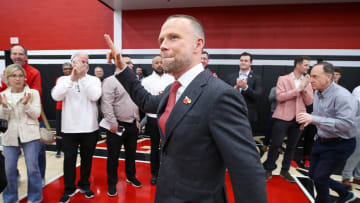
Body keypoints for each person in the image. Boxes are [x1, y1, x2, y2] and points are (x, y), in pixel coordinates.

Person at [104, 14, 267, 203]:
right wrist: (122, 68)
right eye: (161, 40)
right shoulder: (173, 89)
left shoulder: (220, 95)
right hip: (167, 193)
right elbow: (147, 102)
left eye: (173, 37)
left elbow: (247, 170)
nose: (163, 45)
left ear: (198, 45)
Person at [297, 62, 358, 203]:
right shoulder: (317, 91)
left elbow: (347, 124)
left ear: (328, 77)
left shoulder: (343, 96)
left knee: (320, 178)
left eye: (315, 76)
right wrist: (309, 120)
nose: (311, 80)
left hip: (340, 144)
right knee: (313, 174)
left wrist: (313, 118)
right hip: (321, 141)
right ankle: (344, 192)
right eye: (310, 76)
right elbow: (320, 115)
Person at [51, 53, 101, 203]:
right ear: (73, 63)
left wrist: (83, 78)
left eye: (86, 62)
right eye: (81, 61)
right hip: (69, 128)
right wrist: (73, 79)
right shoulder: (63, 79)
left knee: (87, 159)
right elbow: (56, 96)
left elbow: (95, 96)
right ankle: (69, 188)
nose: (84, 64)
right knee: (69, 160)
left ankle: (85, 185)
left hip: (90, 127)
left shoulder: (94, 79)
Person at [0, 45, 46, 186]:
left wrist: (14, 88)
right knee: (10, 154)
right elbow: (3, 93)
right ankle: (15, 176)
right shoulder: (6, 72)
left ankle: (40, 177)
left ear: (26, 57)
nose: (18, 56)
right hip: (12, 119)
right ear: (11, 56)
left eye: (21, 54)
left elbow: (34, 94)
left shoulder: (34, 72)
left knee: (38, 154)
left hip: (33, 118)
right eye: (15, 54)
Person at [263, 56, 313, 182]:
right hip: (282, 116)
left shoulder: (307, 81)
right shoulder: (283, 79)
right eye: (306, 65)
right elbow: (279, 97)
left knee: (292, 146)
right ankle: (268, 169)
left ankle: (285, 171)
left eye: (308, 65)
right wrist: (298, 89)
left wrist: (304, 89)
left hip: (299, 118)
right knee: (275, 144)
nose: (308, 67)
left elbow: (309, 102)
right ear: (297, 65)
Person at [101, 62, 142, 197]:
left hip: (132, 124)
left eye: (131, 63)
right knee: (113, 156)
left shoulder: (133, 81)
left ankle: (131, 176)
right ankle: (112, 184)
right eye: (126, 63)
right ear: (119, 66)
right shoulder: (110, 81)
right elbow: (106, 104)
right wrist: (113, 123)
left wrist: (137, 120)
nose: (130, 65)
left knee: (131, 154)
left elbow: (136, 102)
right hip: (116, 125)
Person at [141, 56, 174, 185]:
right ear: (152, 65)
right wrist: (158, 97)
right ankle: (155, 173)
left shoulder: (172, 79)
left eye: (161, 62)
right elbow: (145, 100)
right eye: (156, 63)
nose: (159, 64)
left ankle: (169, 172)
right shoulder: (146, 81)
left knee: (170, 147)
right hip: (153, 118)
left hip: (169, 118)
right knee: (154, 147)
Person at [233, 52, 262, 134]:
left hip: (248, 114)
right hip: (232, 112)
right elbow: (225, 93)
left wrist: (245, 87)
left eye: (246, 61)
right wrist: (236, 88)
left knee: (245, 136)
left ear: (251, 63)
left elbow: (257, 95)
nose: (243, 62)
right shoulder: (231, 76)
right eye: (241, 60)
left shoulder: (256, 78)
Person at [55, 62, 73, 158]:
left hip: (72, 109)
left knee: (73, 130)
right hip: (60, 108)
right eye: (66, 69)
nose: (68, 70)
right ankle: (58, 149)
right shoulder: (60, 79)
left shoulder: (76, 80)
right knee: (59, 130)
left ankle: (73, 148)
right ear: (63, 70)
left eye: (69, 68)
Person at [262, 86, 277, 152]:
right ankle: (265, 144)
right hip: (274, 111)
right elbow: (270, 99)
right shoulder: (274, 89)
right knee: (269, 129)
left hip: (284, 113)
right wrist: (279, 94)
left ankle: (278, 146)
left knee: (282, 131)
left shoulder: (289, 89)